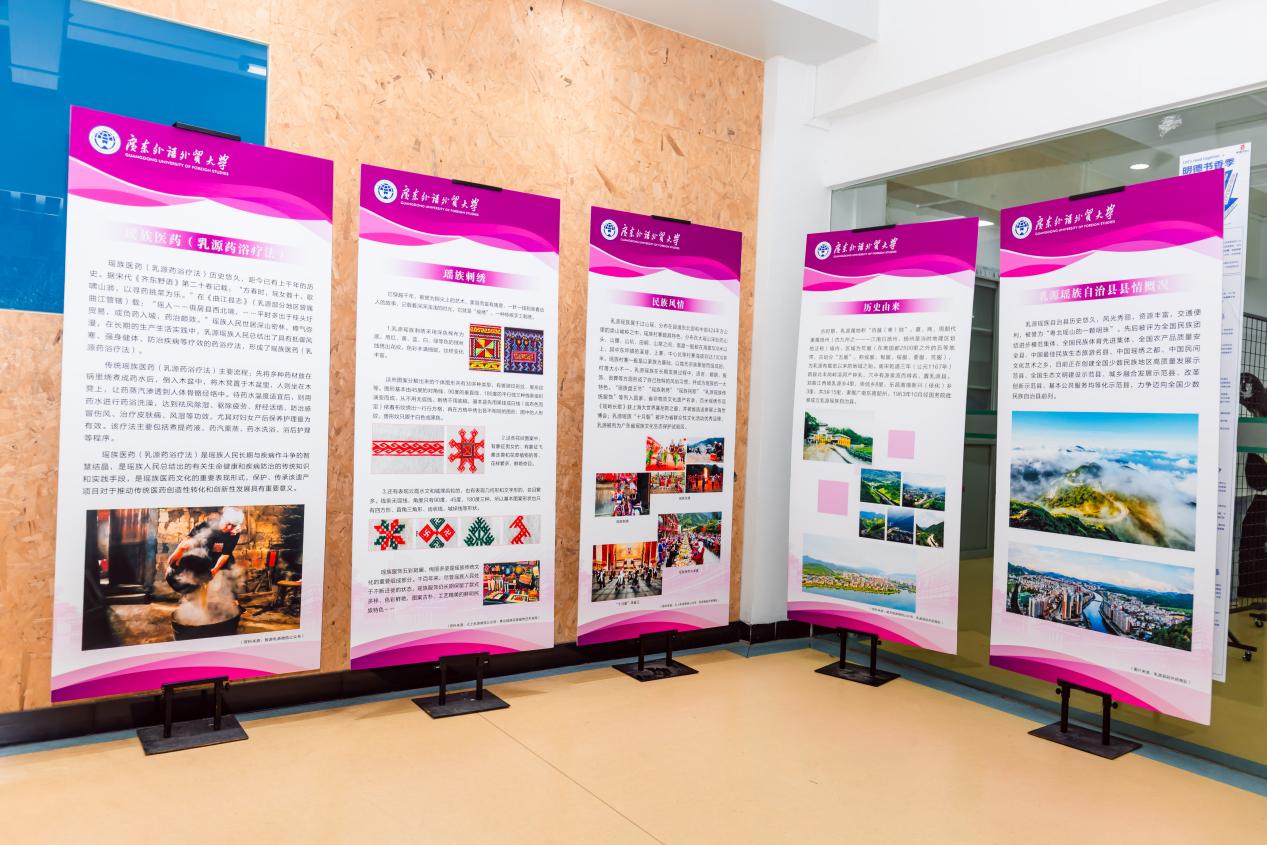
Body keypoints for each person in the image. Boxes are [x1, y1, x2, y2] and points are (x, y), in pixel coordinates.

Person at [166, 507, 245, 593]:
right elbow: (189, 537)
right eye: (228, 523)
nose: (229, 527)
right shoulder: (207, 525)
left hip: (223, 563)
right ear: (223, 518)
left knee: (222, 587)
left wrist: (214, 572)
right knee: (201, 586)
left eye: (233, 525)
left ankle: (228, 598)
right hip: (207, 559)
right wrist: (178, 550)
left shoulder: (234, 533)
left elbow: (225, 554)